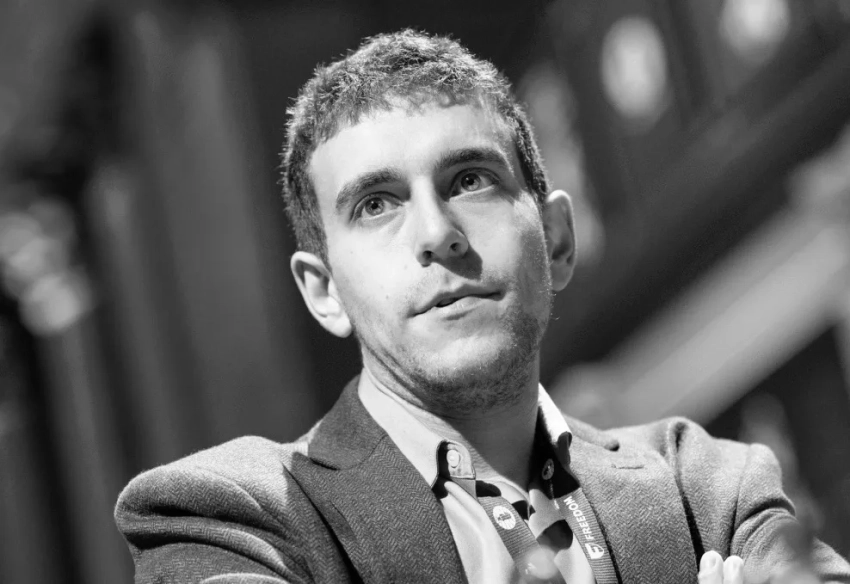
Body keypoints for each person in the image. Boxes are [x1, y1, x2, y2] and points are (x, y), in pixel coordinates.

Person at [114, 30, 850, 584]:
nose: (437, 234)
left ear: (557, 240)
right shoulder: (230, 520)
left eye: (469, 180)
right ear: (324, 291)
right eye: (376, 204)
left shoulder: (707, 485)